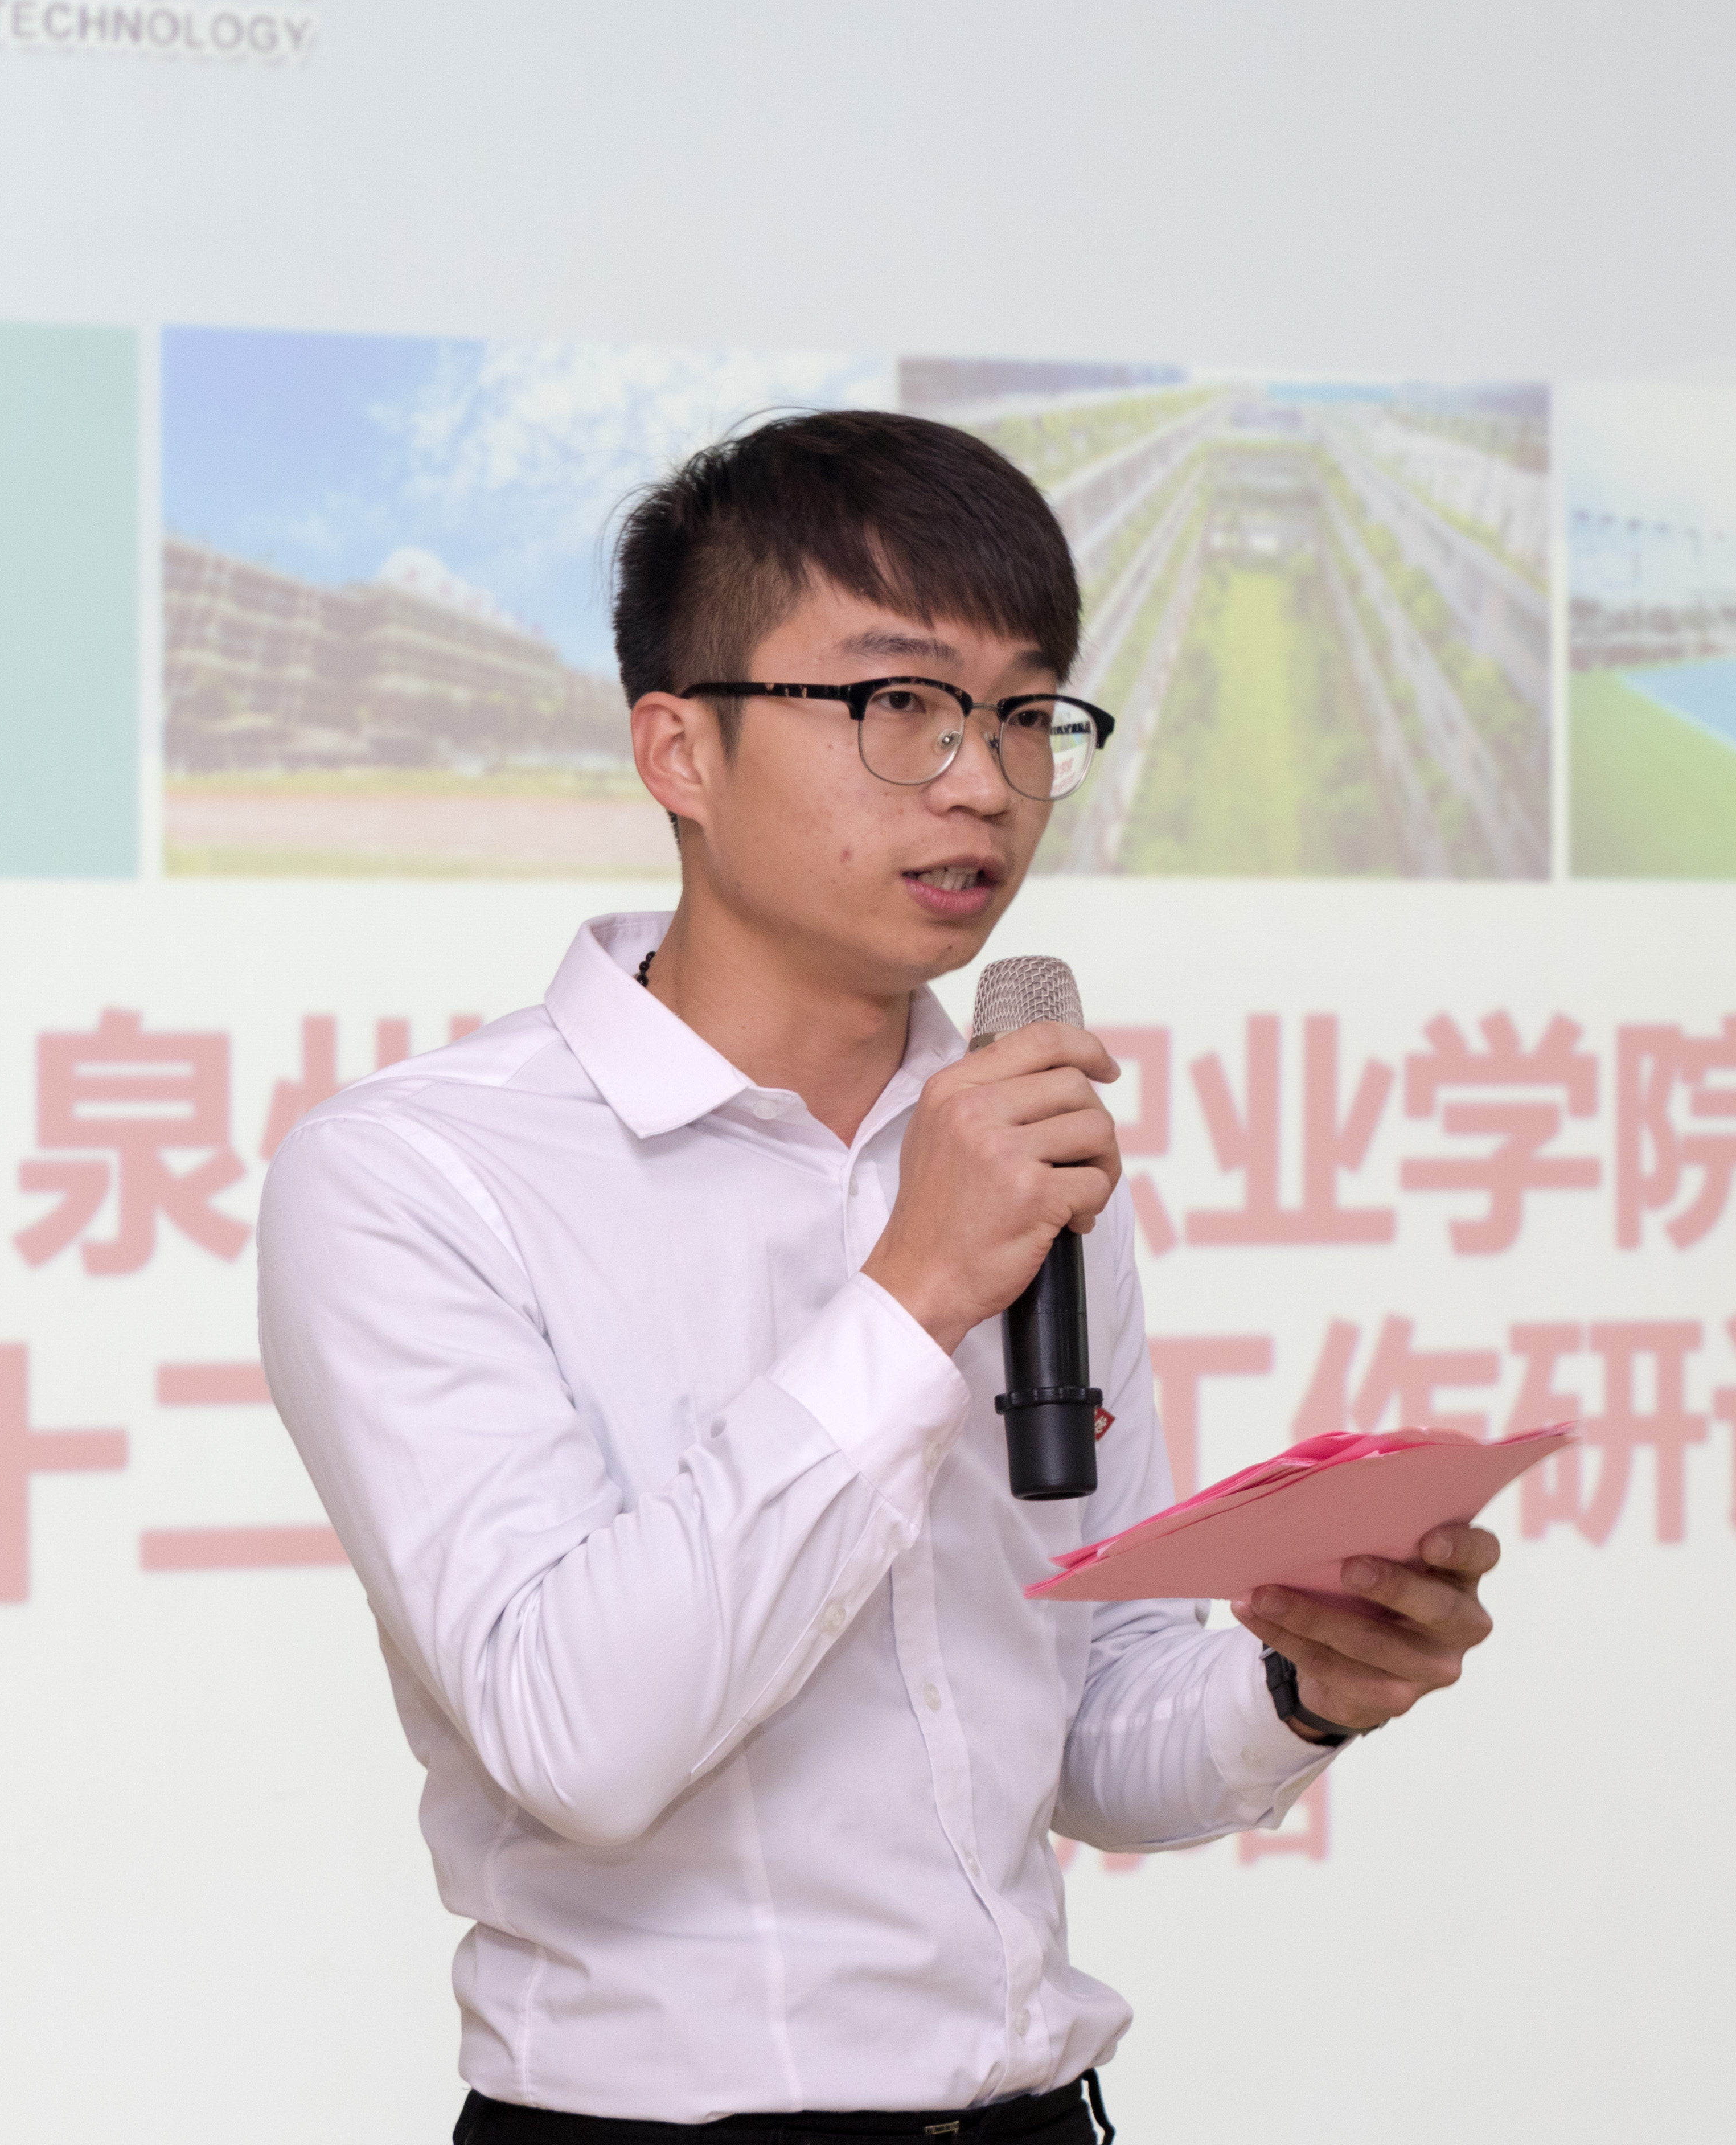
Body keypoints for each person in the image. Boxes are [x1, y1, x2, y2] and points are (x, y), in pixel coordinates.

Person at [257, 409, 1507, 2140]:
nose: (981, 781)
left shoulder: (1014, 1142)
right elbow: (576, 1742)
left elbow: (1090, 1734)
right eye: (900, 705)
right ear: (679, 750)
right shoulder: (421, 1174)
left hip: (1038, 2113)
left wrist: (1303, 1685)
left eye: (1025, 714)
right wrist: (912, 1294)